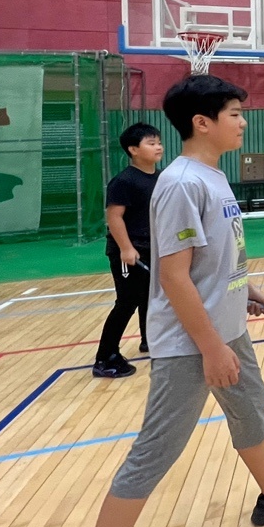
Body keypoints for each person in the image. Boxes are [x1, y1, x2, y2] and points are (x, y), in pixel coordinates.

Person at [48, 75, 264, 527]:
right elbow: (173, 277)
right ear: (202, 122)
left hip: (226, 326)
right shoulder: (178, 183)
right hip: (192, 343)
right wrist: (211, 347)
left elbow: (213, 258)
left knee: (249, 407)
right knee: (154, 454)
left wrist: (243, 288)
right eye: (234, 113)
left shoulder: (213, 176)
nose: (243, 121)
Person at [93, 122, 164, 378]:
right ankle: (105, 358)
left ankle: (149, 340)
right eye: (151, 143)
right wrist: (126, 248)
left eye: (158, 142)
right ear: (133, 149)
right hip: (129, 252)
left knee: (150, 297)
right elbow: (114, 217)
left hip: (151, 248)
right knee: (126, 302)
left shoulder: (160, 178)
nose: (158, 147)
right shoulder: (124, 181)